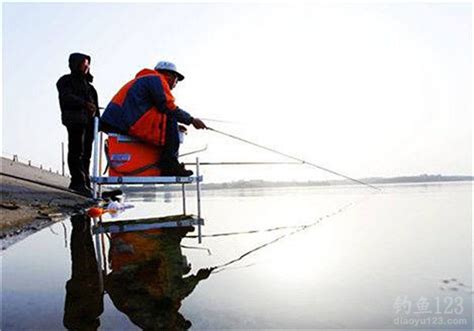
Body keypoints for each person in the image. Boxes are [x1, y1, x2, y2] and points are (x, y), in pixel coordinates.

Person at [100, 61, 206, 176]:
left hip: (116, 120)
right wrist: (191, 120)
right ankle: (170, 166)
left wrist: (173, 127)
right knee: (171, 118)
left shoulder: (145, 79)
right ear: (170, 76)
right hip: (123, 121)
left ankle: (168, 164)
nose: (176, 84)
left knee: (171, 122)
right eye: (176, 80)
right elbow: (168, 106)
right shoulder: (157, 79)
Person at [56, 53, 99, 196]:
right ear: (75, 64)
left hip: (89, 123)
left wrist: (99, 125)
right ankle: (77, 182)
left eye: (88, 65)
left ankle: (85, 183)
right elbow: (67, 97)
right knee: (76, 151)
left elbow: (96, 108)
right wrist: (85, 104)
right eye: (83, 64)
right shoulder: (65, 81)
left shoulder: (90, 87)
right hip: (75, 120)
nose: (86, 67)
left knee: (86, 154)